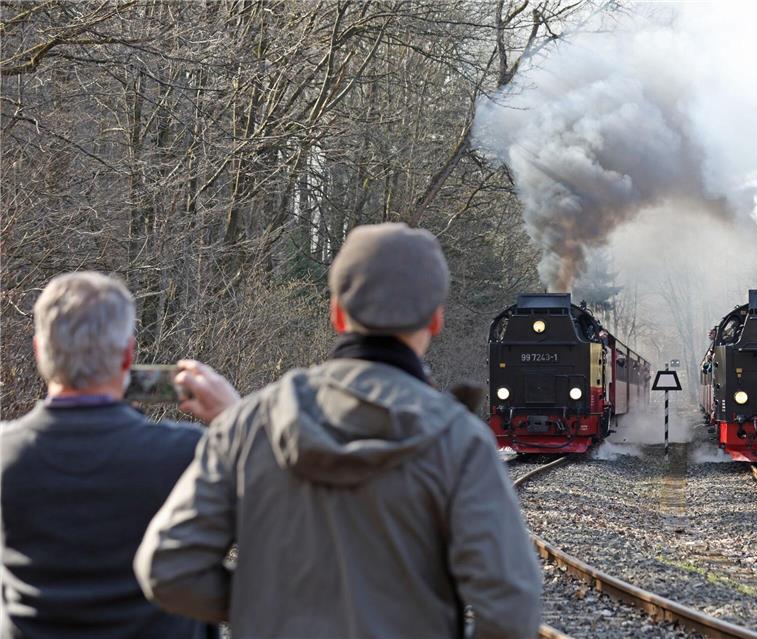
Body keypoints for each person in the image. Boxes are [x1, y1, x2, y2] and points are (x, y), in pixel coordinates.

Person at [135, 223, 543, 639]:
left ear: (336, 312)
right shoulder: (459, 440)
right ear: (435, 320)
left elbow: (167, 568)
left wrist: (267, 604)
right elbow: (512, 608)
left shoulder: (249, 423)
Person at [1, 272, 240, 639]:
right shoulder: (191, 454)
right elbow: (285, 518)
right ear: (128, 354)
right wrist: (237, 420)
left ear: (39, 350)